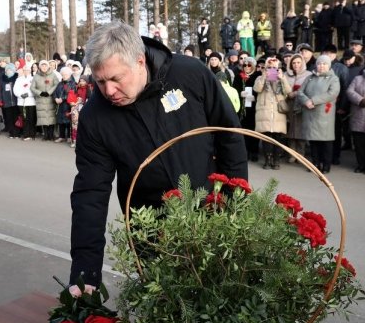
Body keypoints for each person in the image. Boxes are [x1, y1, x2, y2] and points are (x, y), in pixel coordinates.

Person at [68, 21, 248, 292]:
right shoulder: (95, 116)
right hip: (152, 233)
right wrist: (85, 271)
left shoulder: (189, 74)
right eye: (100, 81)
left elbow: (230, 139)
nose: (108, 91)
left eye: (116, 79)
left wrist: (238, 212)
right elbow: (90, 194)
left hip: (213, 215)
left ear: (140, 61)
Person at [296, 55, 341, 173]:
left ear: (329, 65)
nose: (321, 66)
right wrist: (306, 100)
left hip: (324, 114)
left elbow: (332, 93)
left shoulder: (333, 79)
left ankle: (326, 165)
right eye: (319, 64)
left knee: (325, 141)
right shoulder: (310, 77)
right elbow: (300, 92)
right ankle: (315, 163)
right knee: (313, 140)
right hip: (309, 112)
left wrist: (313, 100)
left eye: (324, 64)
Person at [254, 56, 292, 169]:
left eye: (274, 67)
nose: (271, 70)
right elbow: (257, 89)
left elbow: (288, 92)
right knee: (266, 138)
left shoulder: (282, 78)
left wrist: (282, 78)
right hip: (265, 111)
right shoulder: (260, 78)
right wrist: (264, 76)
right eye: (269, 67)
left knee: (277, 138)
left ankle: (276, 160)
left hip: (278, 112)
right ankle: (267, 160)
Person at [32, 60, 58, 140]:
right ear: (40, 67)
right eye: (42, 66)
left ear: (48, 66)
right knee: (43, 117)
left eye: (45, 66)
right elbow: (32, 88)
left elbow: (56, 84)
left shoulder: (53, 75)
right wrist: (40, 93)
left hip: (50, 99)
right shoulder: (36, 76)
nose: (44, 67)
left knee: (51, 117)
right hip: (41, 99)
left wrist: (49, 92)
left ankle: (51, 134)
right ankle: (46, 135)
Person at [13, 66, 37, 141]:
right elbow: (15, 89)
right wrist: (20, 95)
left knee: (32, 118)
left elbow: (35, 89)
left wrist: (29, 94)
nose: (26, 71)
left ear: (30, 71)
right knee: (24, 118)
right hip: (21, 102)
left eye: (28, 70)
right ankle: (26, 134)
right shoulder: (19, 79)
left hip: (31, 102)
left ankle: (32, 134)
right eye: (25, 70)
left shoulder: (33, 79)